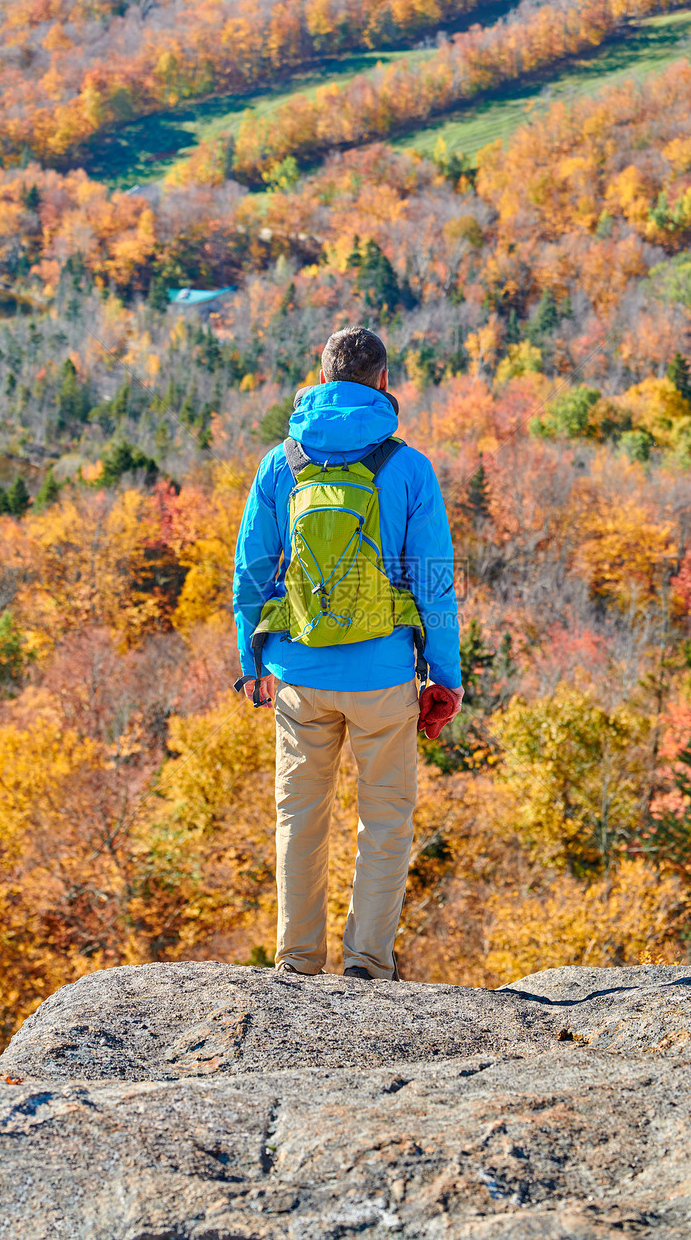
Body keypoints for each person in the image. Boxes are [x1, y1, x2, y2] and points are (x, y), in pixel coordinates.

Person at [232, 326, 462, 981]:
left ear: (322, 374)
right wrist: (444, 676)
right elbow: (434, 580)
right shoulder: (408, 467)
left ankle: (298, 962)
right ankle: (366, 962)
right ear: (383, 383)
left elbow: (251, 570)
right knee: (384, 821)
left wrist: (251, 666)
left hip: (297, 674)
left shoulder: (283, 462)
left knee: (299, 818)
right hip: (384, 677)